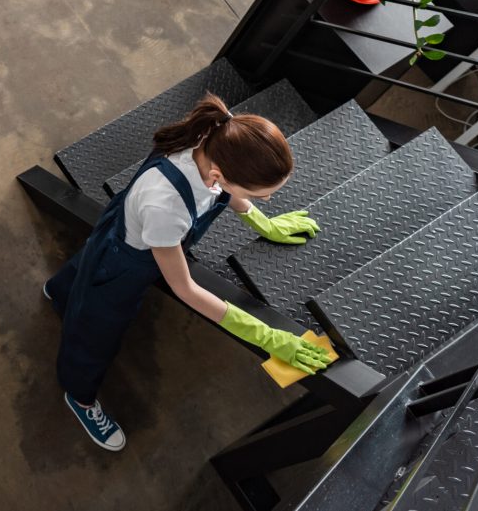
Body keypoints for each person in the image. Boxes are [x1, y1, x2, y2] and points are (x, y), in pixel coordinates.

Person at [45, 94, 334, 450]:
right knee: (95, 331)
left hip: (129, 227)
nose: (266, 200)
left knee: (87, 264)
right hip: (126, 263)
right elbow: (185, 289)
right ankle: (79, 395)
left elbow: (227, 192)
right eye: (261, 197)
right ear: (220, 175)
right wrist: (266, 337)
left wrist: (264, 224)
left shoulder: (216, 137)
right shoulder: (167, 207)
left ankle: (59, 292)